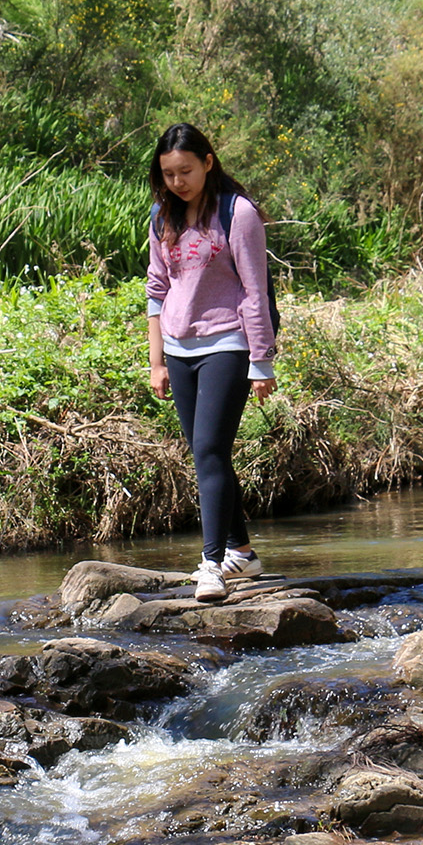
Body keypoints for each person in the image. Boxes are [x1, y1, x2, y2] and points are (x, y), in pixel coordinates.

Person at [145, 123, 277, 604]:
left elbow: (254, 290)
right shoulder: (162, 215)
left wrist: (261, 359)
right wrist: (157, 360)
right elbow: (156, 289)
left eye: (186, 171)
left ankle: (211, 565)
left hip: (228, 343)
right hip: (179, 348)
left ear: (207, 162)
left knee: (207, 449)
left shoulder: (237, 213)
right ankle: (242, 552)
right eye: (168, 174)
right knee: (209, 454)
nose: (178, 181)